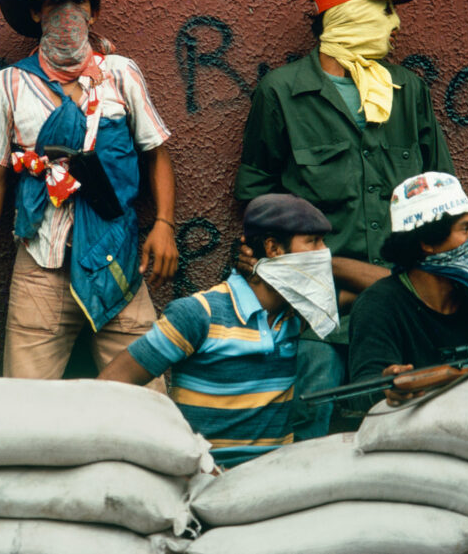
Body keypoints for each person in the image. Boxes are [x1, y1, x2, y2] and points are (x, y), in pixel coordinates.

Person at [235, 0, 455, 439]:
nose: (395, 24)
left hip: (403, 302)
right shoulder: (282, 93)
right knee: (308, 425)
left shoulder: (408, 90)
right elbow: (256, 192)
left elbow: (441, 189)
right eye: (383, 10)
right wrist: (268, 251)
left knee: (412, 431)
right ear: (346, 15)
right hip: (318, 310)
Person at [0, 0, 178, 385]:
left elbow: (156, 153)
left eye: (78, 2)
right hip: (41, 266)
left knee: (150, 399)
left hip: (117, 261)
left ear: (94, 13)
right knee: (24, 405)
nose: (67, 13)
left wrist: (164, 225)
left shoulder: (121, 75)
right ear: (36, 11)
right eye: (55, 2)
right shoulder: (9, 84)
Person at [99, 194, 338, 468]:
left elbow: (382, 288)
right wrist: (178, 456)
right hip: (206, 483)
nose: (324, 252)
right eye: (313, 242)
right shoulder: (199, 314)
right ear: (273, 248)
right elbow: (111, 384)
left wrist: (324, 267)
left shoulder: (297, 314)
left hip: (276, 483)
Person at [348, 172, 468, 407]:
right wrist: (389, 386)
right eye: (465, 229)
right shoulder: (379, 304)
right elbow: (364, 390)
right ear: (428, 242)